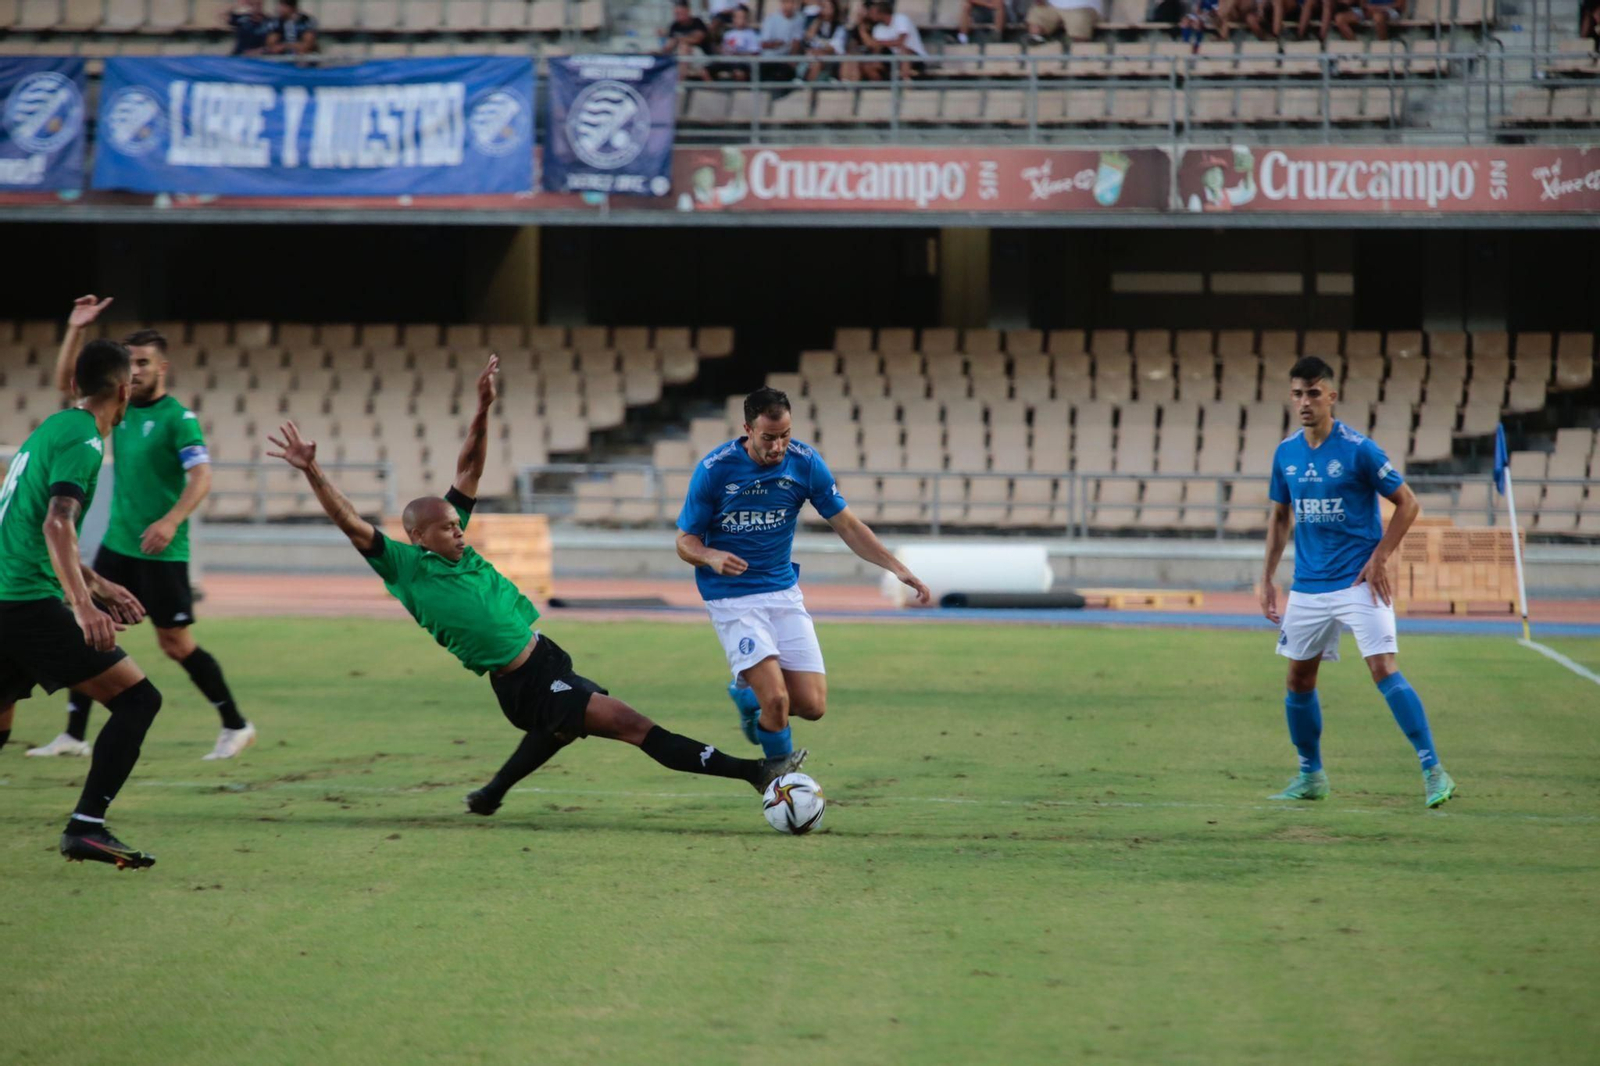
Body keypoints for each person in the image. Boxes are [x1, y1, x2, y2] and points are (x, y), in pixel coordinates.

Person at [268, 356, 806, 819]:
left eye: (459, 525)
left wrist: (483, 409)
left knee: (563, 729)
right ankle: (756, 772)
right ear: (416, 536)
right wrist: (313, 471)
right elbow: (350, 521)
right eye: (448, 529)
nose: (460, 532)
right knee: (633, 726)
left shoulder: (453, 540)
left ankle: (491, 794)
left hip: (545, 658)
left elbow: (470, 466)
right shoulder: (403, 566)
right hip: (522, 681)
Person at [29, 297, 254, 761]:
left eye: (144, 363)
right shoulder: (120, 408)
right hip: (118, 544)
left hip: (163, 551)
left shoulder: (178, 420)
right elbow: (65, 383)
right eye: (130, 364)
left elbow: (202, 476)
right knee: (88, 630)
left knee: (175, 644)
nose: (135, 372)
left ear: (163, 367)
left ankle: (235, 723)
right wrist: (75, 329)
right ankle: (74, 735)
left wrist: (171, 521)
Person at [675, 387, 931, 759]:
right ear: (747, 429)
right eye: (768, 437)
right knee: (777, 700)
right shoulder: (715, 471)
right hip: (733, 599)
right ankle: (781, 782)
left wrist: (897, 568)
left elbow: (846, 524)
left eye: (785, 436)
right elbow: (685, 542)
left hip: (782, 592)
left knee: (812, 706)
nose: (778, 446)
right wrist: (711, 556)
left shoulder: (805, 462)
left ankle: (748, 698)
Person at [1259, 357, 1457, 809]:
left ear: (1331, 396)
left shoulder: (1359, 449)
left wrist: (1380, 557)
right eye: (1297, 394)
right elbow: (1280, 516)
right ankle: (1311, 776)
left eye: (1313, 393)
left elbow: (1407, 504)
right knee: (1298, 678)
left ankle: (1433, 770)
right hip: (1308, 586)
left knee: (1383, 668)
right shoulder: (1286, 453)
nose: (1304, 402)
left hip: (1358, 582)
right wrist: (1268, 578)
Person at [0, 339, 164, 868]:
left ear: (74, 386)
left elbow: (31, 525)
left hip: (8, 593)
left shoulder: (52, 427)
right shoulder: (86, 443)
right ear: (125, 389)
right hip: (26, 600)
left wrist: (97, 584)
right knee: (139, 700)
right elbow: (56, 521)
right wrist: (82, 605)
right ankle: (86, 826)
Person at [659, 1, 714, 81]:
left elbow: (697, 39)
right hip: (682, 54)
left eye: (679, 13)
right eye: (676, 13)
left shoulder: (697, 23)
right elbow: (670, 45)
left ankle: (681, 82)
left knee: (684, 48)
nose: (677, 16)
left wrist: (679, 39)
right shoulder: (675, 26)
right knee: (682, 50)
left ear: (687, 11)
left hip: (701, 54)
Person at [801, 0, 850, 81]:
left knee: (817, 62)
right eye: (822, 7)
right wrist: (817, 22)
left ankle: (809, 87)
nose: (823, 10)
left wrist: (820, 51)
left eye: (825, 7)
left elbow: (835, 48)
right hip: (812, 57)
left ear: (833, 9)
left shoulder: (839, 27)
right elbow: (808, 39)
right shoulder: (816, 23)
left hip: (832, 60)